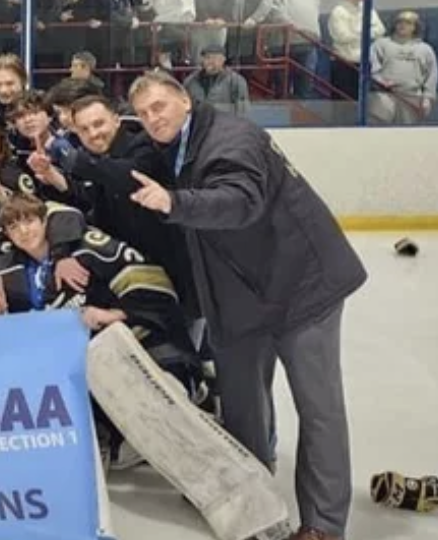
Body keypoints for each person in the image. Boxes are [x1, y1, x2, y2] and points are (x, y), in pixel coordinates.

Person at [127, 70, 366, 540]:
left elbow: (238, 202)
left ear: (185, 101)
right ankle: (254, 498)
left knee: (318, 407)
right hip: (241, 295)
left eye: (159, 107)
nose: (152, 118)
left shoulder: (232, 140)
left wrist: (173, 202)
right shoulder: (174, 146)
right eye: (142, 113)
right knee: (241, 402)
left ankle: (322, 524)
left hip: (302, 286)